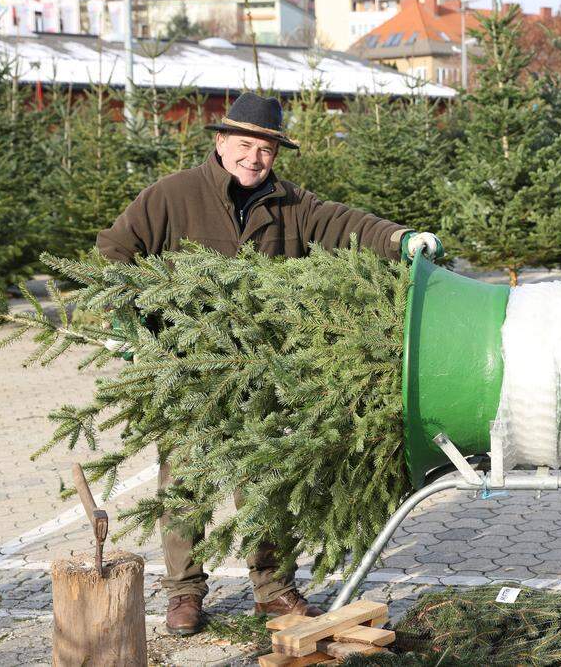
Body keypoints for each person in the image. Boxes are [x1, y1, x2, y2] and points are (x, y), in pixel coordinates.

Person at [97, 92, 443, 636]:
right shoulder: (171, 195)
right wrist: (126, 320)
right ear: (220, 142)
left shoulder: (289, 202)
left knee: (265, 479)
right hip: (187, 371)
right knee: (185, 482)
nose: (254, 158)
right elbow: (115, 251)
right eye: (244, 145)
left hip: (262, 369)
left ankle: (272, 587)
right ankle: (184, 594)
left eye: (265, 148)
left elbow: (344, 224)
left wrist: (400, 239)